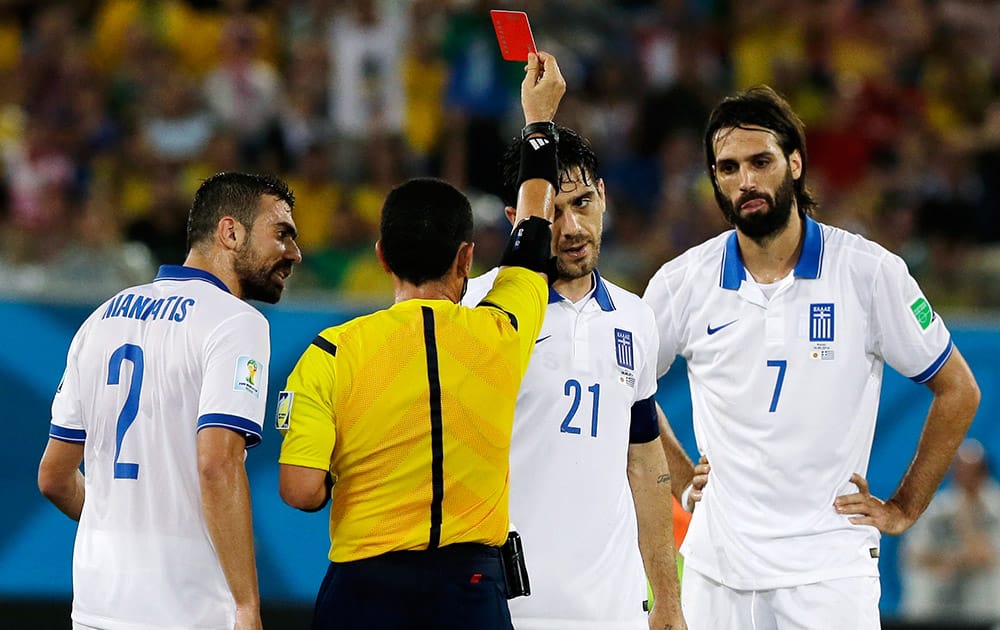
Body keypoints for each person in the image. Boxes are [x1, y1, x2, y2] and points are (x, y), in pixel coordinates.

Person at [642, 85, 982, 628]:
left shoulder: (869, 273)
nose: (745, 181)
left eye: (760, 162)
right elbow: (626, 389)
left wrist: (905, 506)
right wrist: (682, 479)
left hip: (829, 575)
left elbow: (959, 389)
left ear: (795, 163)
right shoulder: (683, 282)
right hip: (715, 572)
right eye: (727, 168)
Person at [276, 52, 565, 629]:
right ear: (467, 256)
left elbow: (302, 490)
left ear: (382, 256)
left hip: (362, 593)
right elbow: (534, 225)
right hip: (470, 592)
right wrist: (539, 122)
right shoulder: (502, 330)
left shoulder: (330, 354)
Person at [37, 172, 302, 630]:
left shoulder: (101, 318)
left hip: (97, 607)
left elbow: (54, 476)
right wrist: (246, 607)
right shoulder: (237, 323)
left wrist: (124, 527)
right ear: (230, 232)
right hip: (188, 610)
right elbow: (218, 463)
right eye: (281, 233)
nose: (294, 253)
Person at [462, 127, 686, 630]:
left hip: (615, 608)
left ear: (604, 196)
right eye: (551, 212)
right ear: (517, 221)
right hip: (505, 607)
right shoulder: (476, 308)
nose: (571, 227)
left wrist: (667, 601)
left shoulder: (635, 318)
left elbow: (645, 462)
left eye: (583, 202)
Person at [901, 438, 1000, 623]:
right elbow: (914, 554)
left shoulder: (996, 507)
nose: (964, 478)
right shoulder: (938, 508)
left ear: (983, 473)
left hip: (987, 608)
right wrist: (959, 559)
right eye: (959, 472)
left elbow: (984, 555)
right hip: (939, 608)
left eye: (971, 472)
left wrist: (965, 519)